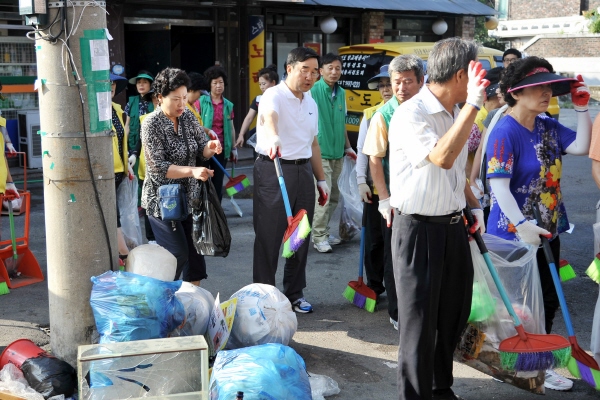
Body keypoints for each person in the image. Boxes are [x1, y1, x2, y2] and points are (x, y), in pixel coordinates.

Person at [388, 38, 488, 400]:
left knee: (452, 316)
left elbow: (455, 174)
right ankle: (414, 395)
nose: (481, 81)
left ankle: (439, 388)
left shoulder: (453, 111)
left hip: (452, 226)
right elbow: (442, 157)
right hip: (417, 230)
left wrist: (472, 206)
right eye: (477, 72)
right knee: (418, 326)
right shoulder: (412, 113)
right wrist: (474, 103)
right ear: (461, 74)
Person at [485, 56, 591, 391]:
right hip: (513, 234)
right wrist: (522, 225)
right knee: (518, 304)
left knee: (545, 298)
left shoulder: (547, 125)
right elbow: (498, 186)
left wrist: (584, 108)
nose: (546, 93)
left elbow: (582, 146)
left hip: (547, 228)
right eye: (537, 87)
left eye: (549, 86)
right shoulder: (504, 130)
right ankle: (524, 359)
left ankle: (537, 358)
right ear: (516, 93)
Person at [253, 47, 328, 314]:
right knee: (270, 236)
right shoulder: (272, 95)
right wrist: (273, 136)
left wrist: (321, 179)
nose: (310, 76)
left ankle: (294, 294)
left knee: (299, 235)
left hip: (303, 171)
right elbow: (269, 117)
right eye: (304, 69)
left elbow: (314, 143)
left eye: (314, 71)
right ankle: (264, 296)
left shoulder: (311, 102)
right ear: (289, 69)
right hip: (273, 169)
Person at [141, 68, 222, 284]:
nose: (181, 104)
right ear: (160, 97)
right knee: (176, 255)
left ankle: (191, 306)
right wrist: (193, 171)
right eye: (176, 99)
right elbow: (158, 166)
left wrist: (210, 147)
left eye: (184, 98)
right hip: (163, 203)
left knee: (195, 257)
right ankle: (161, 298)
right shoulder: (151, 124)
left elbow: (200, 149)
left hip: (190, 198)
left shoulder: (187, 116)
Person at [362, 55, 425, 331]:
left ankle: (420, 306)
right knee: (395, 255)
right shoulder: (383, 115)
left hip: (425, 196)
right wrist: (383, 198)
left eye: (407, 82)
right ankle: (398, 312)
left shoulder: (428, 108)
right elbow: (374, 159)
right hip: (396, 198)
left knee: (420, 257)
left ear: (421, 81)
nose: (400, 88)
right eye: (396, 82)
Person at [310, 53, 357, 253]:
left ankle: (324, 231)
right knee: (324, 197)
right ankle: (318, 236)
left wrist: (348, 147)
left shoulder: (342, 93)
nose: (334, 72)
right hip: (320, 153)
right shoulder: (312, 90)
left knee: (335, 197)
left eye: (338, 68)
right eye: (330, 68)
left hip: (338, 152)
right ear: (321, 71)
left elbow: (343, 123)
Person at [356, 64, 392, 302]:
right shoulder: (370, 114)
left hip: (399, 191)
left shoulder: (408, 112)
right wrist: (361, 181)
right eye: (382, 85)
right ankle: (375, 286)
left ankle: (396, 286)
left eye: (389, 83)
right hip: (375, 189)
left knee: (393, 244)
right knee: (374, 243)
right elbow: (362, 151)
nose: (386, 89)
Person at [200, 66, 236, 202]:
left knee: (217, 181)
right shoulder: (201, 102)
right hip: (204, 148)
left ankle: (217, 211)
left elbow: (231, 128)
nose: (218, 86)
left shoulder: (228, 105)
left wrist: (233, 148)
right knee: (202, 179)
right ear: (209, 84)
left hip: (221, 149)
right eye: (215, 83)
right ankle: (203, 209)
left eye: (220, 82)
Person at [110, 73, 134, 260]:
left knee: (114, 211)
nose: (111, 87)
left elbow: (120, 141)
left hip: (119, 171)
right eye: (107, 83)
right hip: (105, 172)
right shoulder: (93, 112)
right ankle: (122, 252)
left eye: (113, 84)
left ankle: (121, 251)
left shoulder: (118, 110)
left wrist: (127, 165)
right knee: (113, 212)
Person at [235, 65, 279, 148]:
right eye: (260, 84)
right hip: (262, 140)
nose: (261, 87)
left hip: (278, 139)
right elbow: (249, 118)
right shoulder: (259, 99)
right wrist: (241, 135)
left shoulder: (282, 98)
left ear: (273, 83)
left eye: (264, 84)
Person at [125, 70, 155, 181]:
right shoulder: (131, 102)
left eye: (145, 82)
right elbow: (127, 126)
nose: (141, 85)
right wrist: (124, 147)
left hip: (150, 146)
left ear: (151, 85)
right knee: (134, 177)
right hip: (133, 145)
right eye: (139, 82)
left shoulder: (156, 101)